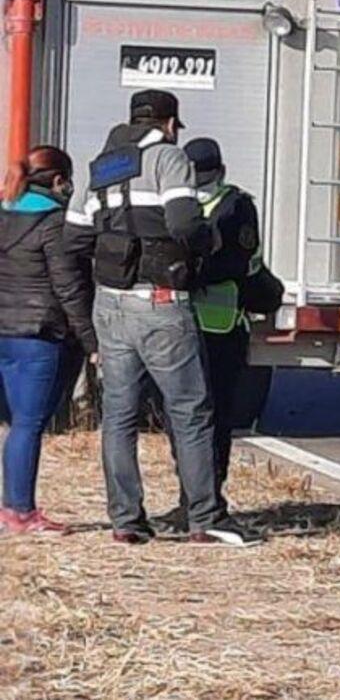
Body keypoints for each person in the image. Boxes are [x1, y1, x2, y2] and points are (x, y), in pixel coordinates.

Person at [63, 90, 255, 547]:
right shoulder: (169, 158)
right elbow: (186, 223)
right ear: (169, 123)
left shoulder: (101, 166)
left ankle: (126, 520)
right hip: (161, 302)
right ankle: (205, 517)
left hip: (110, 303)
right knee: (190, 410)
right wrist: (205, 244)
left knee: (119, 415)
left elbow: (73, 240)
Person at [171, 138, 284, 528]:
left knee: (214, 419)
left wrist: (192, 273)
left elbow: (240, 261)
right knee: (184, 418)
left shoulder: (236, 206)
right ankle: (189, 499)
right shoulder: (178, 203)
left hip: (220, 326)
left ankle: (208, 498)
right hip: (182, 324)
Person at [0, 147, 96, 534]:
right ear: (59, 180)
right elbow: (68, 286)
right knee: (28, 424)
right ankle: (19, 511)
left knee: (12, 423)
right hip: (38, 336)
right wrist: (90, 340)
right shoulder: (54, 223)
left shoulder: (4, 211)